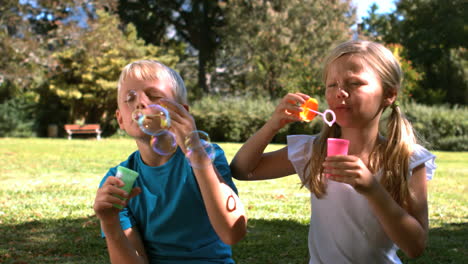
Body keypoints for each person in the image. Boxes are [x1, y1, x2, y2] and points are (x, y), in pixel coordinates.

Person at [230, 40, 436, 263]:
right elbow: (242, 170)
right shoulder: (314, 151)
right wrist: (272, 125)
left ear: (389, 94)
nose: (340, 92)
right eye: (332, 85)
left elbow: (415, 246)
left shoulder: (407, 159)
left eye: (354, 83)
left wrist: (372, 189)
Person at [93, 60, 247, 264]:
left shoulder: (206, 156)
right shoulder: (120, 180)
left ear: (181, 111)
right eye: (130, 98)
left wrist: (196, 154)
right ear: (120, 119)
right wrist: (110, 223)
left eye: (154, 95)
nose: (140, 102)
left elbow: (233, 233)